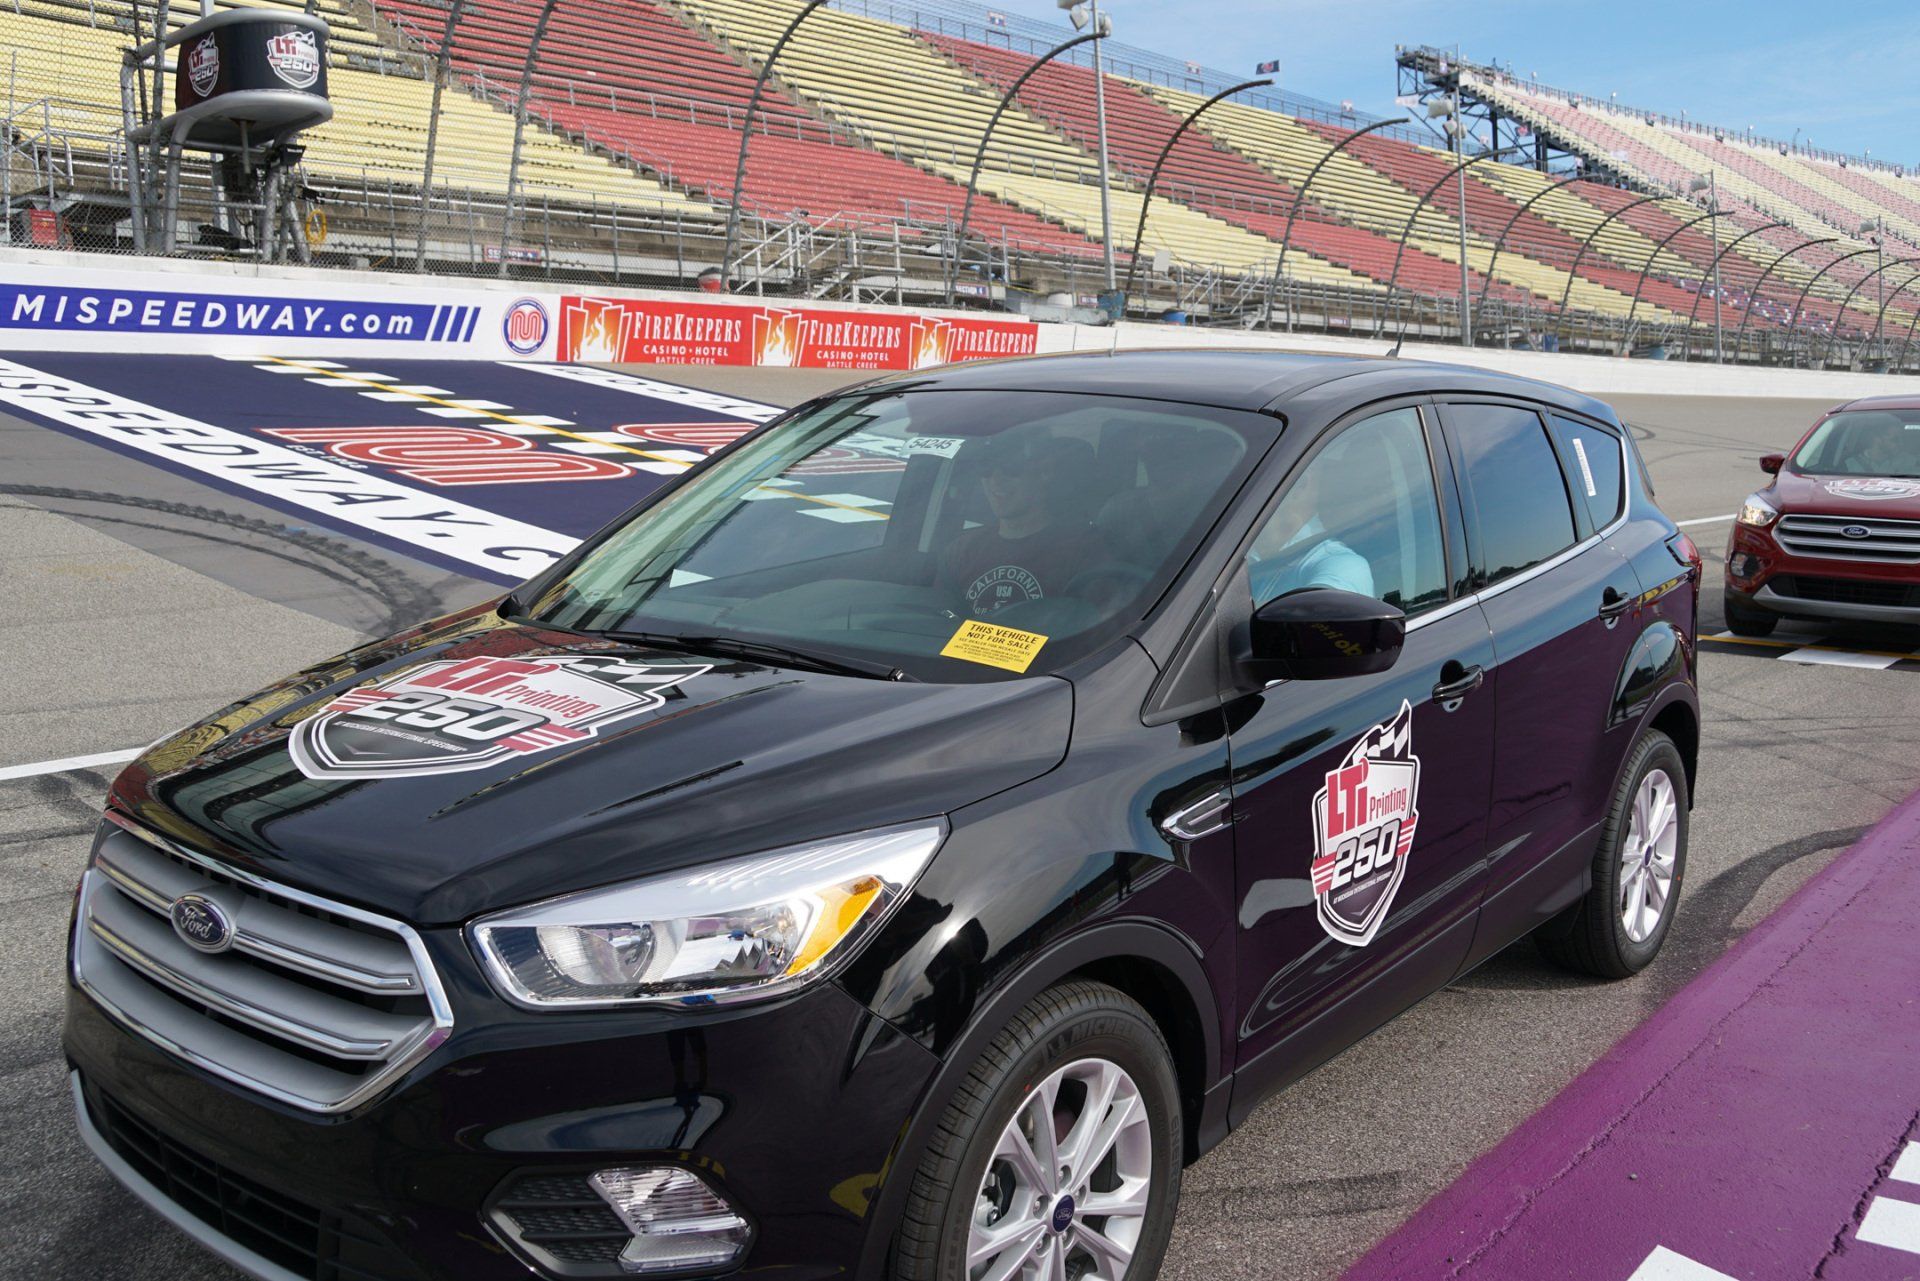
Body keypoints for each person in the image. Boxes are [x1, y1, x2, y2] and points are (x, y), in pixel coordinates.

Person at [940, 432, 1105, 617]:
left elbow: (1093, 632)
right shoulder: (961, 551)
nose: (995, 480)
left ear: (1045, 472)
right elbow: (937, 623)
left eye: (1011, 467)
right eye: (986, 468)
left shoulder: (1085, 552)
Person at [1246, 453, 1376, 606]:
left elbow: (1322, 609)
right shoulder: (1231, 553)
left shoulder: (1342, 564)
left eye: (1249, 476)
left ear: (1300, 484)